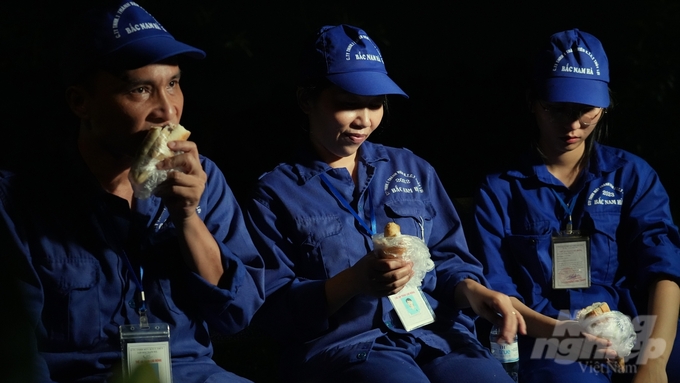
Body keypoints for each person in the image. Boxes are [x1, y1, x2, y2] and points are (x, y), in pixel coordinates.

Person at [244, 24, 526, 383]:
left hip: (436, 335)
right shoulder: (276, 192)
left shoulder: (412, 169)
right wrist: (353, 281)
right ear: (306, 100)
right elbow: (272, 308)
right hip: (347, 348)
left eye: (375, 103)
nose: (364, 119)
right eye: (347, 103)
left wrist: (473, 291)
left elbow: (449, 257)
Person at [0, 1, 264, 382]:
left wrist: (187, 216)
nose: (168, 112)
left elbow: (236, 314)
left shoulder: (203, 181)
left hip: (191, 373)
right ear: (81, 102)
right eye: (140, 89)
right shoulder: (18, 202)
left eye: (173, 84)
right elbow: (17, 355)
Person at [471, 28, 680, 383]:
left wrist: (654, 363)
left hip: (635, 328)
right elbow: (497, 294)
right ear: (532, 102)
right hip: (547, 338)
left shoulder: (632, 175)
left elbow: (663, 268)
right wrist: (567, 337)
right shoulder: (499, 190)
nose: (572, 125)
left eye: (586, 111)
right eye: (556, 109)